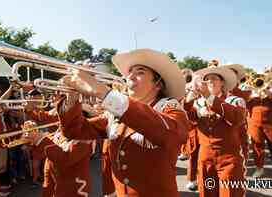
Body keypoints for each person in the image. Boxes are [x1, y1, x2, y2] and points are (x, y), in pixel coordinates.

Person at [58, 48, 190, 196]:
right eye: (129, 72)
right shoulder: (115, 112)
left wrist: (102, 91)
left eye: (140, 72)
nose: (131, 76)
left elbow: (172, 135)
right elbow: (74, 131)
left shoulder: (168, 107)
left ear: (158, 84)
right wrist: (72, 98)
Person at [184, 66, 246, 197]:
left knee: (230, 193)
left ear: (222, 83)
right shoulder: (197, 103)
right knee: (207, 193)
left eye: (214, 78)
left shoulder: (234, 100)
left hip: (229, 158)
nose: (209, 81)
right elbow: (185, 121)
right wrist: (189, 98)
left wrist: (210, 97)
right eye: (206, 79)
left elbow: (237, 119)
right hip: (205, 157)